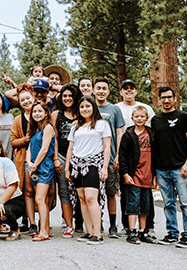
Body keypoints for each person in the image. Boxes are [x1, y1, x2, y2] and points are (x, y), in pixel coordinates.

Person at [152, 86, 187, 248]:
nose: (166, 100)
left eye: (169, 97)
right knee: (168, 203)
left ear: (175, 99)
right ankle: (172, 233)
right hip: (162, 169)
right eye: (163, 97)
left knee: (185, 203)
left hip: (180, 168)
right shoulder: (156, 120)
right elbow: (155, 146)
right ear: (159, 100)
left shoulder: (183, 117)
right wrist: (155, 172)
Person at [65, 96, 111, 245]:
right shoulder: (76, 126)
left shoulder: (102, 124)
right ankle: (89, 231)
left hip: (93, 164)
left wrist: (104, 167)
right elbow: (70, 148)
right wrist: (67, 168)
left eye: (88, 106)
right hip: (77, 165)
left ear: (93, 107)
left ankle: (98, 233)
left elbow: (107, 147)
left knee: (91, 198)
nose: (85, 109)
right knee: (82, 198)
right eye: (82, 107)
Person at [116, 79, 156, 239]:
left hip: (147, 174)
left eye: (131, 88)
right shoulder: (127, 130)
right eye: (125, 88)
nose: (128, 90)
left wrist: (155, 175)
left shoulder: (150, 131)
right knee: (130, 201)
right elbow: (123, 153)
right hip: (132, 171)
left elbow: (156, 152)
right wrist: (124, 170)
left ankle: (144, 230)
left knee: (145, 204)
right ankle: (129, 229)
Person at [93, 77, 125, 239]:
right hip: (92, 158)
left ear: (108, 91)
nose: (101, 91)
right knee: (94, 193)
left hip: (110, 157)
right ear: (93, 90)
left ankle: (113, 225)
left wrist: (118, 154)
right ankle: (97, 223)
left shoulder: (114, 109)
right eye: (98, 88)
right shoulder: (88, 107)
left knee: (111, 192)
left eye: (104, 88)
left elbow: (119, 132)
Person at [51, 84, 82, 238]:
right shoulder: (56, 114)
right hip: (62, 156)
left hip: (80, 156)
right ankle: (69, 225)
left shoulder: (82, 112)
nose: (67, 99)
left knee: (81, 191)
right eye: (65, 96)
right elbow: (54, 138)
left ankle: (83, 224)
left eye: (70, 96)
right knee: (64, 191)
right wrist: (56, 158)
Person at [26, 101, 55, 241]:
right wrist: (29, 162)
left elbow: (44, 149)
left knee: (39, 198)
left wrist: (35, 165)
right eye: (34, 111)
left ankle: (43, 231)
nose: (37, 114)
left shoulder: (48, 128)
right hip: (35, 167)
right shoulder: (35, 129)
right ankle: (47, 229)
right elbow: (29, 148)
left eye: (39, 111)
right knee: (41, 198)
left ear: (45, 113)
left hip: (44, 166)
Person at [10, 84, 34, 233]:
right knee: (27, 190)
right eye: (22, 100)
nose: (26, 102)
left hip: (41, 158)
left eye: (28, 98)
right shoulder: (18, 120)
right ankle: (29, 221)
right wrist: (25, 139)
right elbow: (13, 142)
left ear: (33, 98)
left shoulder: (41, 114)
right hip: (23, 159)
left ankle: (44, 221)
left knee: (45, 192)